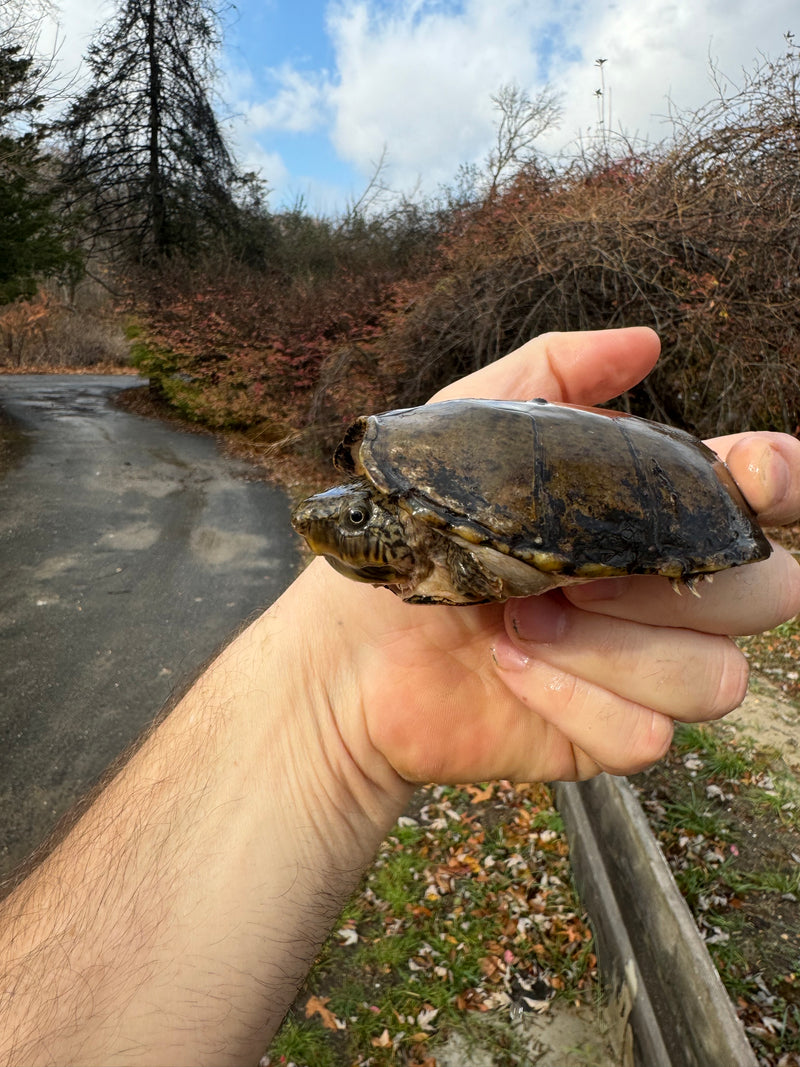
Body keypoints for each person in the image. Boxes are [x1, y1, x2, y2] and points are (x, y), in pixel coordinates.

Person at [0, 327, 798, 1067]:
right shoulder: (419, 521)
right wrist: (326, 697)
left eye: (354, 516)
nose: (327, 524)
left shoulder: (433, 504)